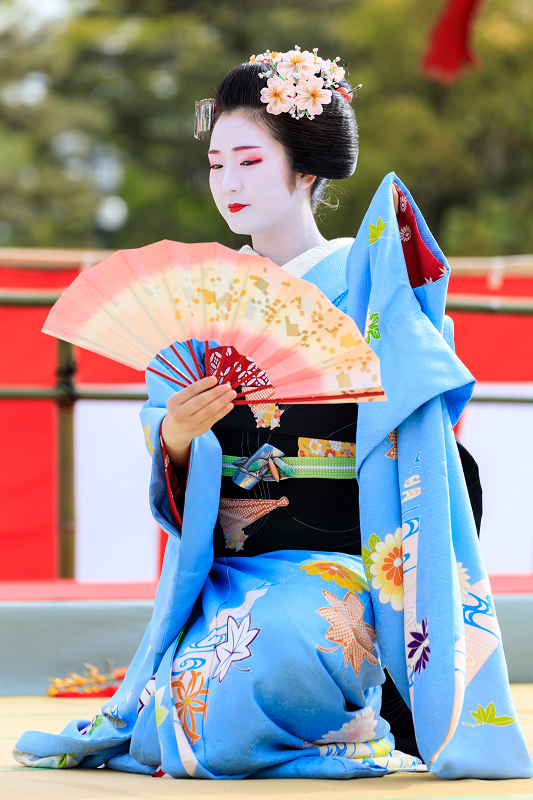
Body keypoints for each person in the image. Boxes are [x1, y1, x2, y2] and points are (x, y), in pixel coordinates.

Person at [14, 49, 532, 781]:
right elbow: (168, 445)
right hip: (238, 566)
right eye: (216, 163)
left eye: (249, 161)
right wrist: (179, 437)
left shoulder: (366, 276)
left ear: (307, 169)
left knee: (295, 641)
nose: (228, 182)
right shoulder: (203, 296)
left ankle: (357, 713)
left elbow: (421, 415)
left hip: (343, 556)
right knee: (195, 720)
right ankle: (298, 718)